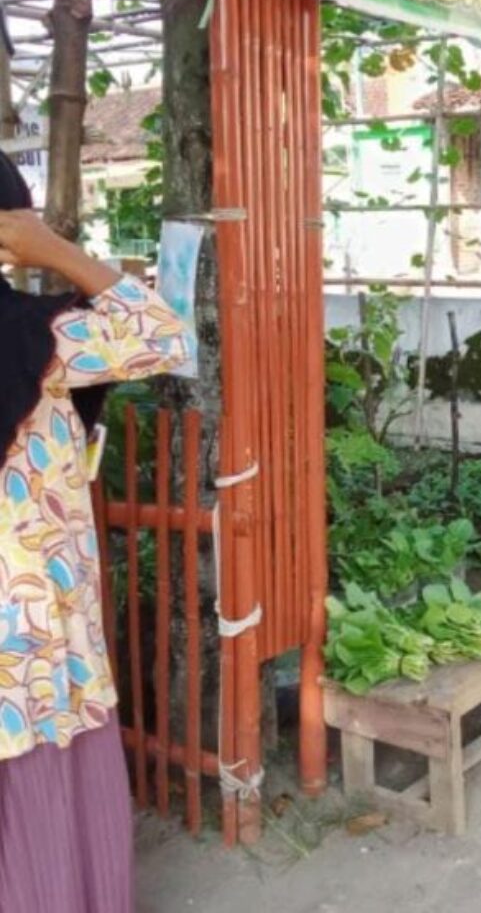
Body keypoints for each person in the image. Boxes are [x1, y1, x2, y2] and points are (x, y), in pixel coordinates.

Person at [0, 149, 193, 910]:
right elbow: (163, 332)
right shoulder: (36, 340)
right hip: (32, 633)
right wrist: (60, 253)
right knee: (39, 779)